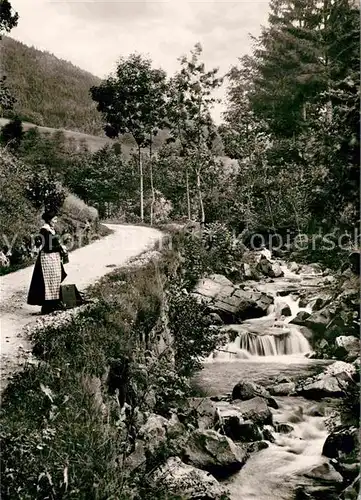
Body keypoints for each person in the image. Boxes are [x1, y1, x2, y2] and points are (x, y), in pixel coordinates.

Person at [27, 211, 68, 314]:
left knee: (55, 280)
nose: (56, 221)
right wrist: (59, 247)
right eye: (54, 219)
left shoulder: (51, 230)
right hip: (47, 259)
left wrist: (60, 247)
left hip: (54, 258)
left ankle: (53, 304)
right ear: (49, 220)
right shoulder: (44, 231)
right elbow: (46, 247)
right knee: (47, 282)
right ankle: (47, 307)